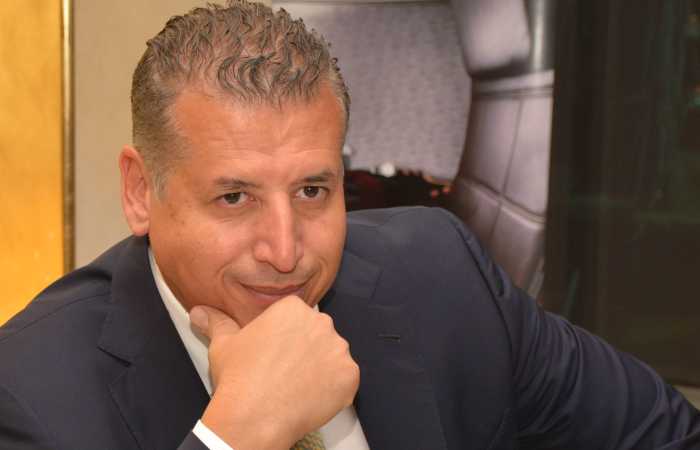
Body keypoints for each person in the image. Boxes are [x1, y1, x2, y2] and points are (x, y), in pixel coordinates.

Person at [1, 1, 699, 449]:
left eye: (312, 190)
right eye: (234, 198)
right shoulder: (28, 392)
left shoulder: (443, 273)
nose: (286, 252)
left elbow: (666, 434)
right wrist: (235, 435)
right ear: (140, 191)